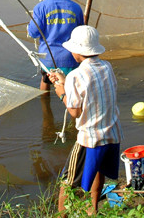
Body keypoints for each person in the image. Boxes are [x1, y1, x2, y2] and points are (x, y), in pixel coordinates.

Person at [50, 25, 122, 215]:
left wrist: (60, 92)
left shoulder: (76, 75)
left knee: (67, 180)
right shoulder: (107, 66)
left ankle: (61, 215)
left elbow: (74, 111)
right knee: (99, 170)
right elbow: (91, 91)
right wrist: (65, 82)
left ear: (76, 52)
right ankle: (93, 209)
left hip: (89, 140)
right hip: (112, 134)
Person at [28, 0, 84, 91]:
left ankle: (45, 108)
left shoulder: (41, 7)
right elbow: (81, 34)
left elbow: (33, 32)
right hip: (71, 60)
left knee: (45, 80)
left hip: (48, 59)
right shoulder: (75, 7)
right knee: (71, 90)